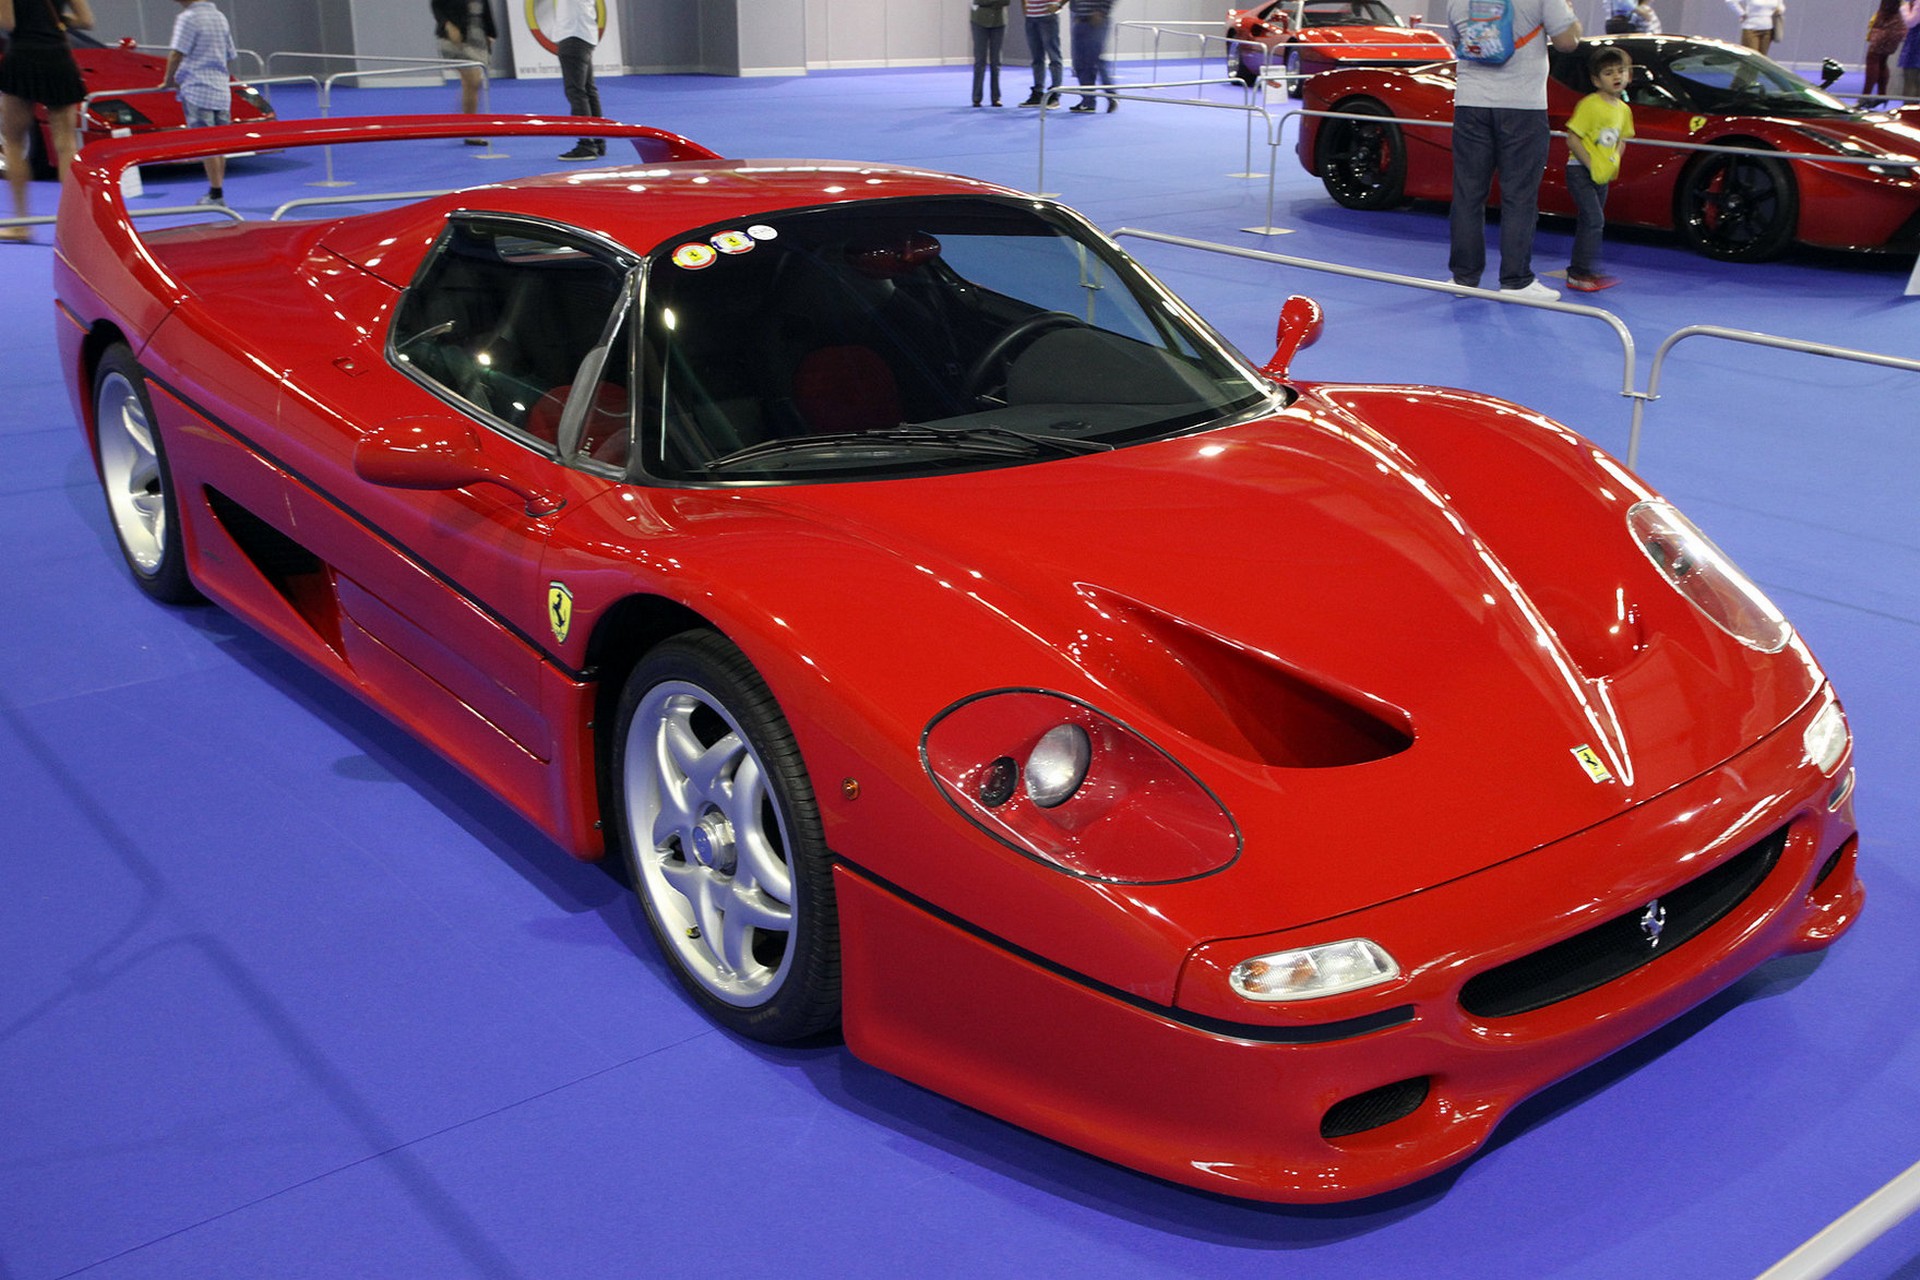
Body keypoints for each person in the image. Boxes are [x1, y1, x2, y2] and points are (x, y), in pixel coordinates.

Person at [1445, 0, 1581, 298]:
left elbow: (1458, 42)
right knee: (1519, 197)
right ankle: (1516, 281)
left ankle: (1463, 279)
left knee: (1467, 195)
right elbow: (1567, 42)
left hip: (1470, 103)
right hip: (1523, 106)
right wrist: (1570, 14)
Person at [0, 0, 93, 242]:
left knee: (14, 143)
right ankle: (76, 225)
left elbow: (8, 24)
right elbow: (86, 22)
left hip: (23, 57)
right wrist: (57, 20)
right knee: (66, 145)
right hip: (59, 57)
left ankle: (21, 225)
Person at [1564, 46, 1632, 292]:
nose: (1616, 76)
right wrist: (1591, 164)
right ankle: (1578, 273)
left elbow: (1621, 139)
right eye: (1608, 73)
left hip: (1601, 175)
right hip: (1579, 171)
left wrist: (1611, 162)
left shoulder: (1623, 110)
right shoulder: (1589, 105)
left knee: (1591, 221)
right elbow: (1573, 138)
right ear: (1596, 80)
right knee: (1594, 219)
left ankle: (1584, 269)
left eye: (1620, 71)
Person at [162, 0, 235, 207]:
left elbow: (177, 53)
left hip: (197, 88)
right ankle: (217, 191)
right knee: (220, 143)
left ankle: (216, 194)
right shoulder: (219, 17)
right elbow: (230, 54)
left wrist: (168, 80)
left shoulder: (188, 18)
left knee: (206, 143)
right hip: (221, 89)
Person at [432, 0, 495, 140]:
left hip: (478, 38)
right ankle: (470, 129)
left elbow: (485, 9)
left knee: (472, 84)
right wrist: (447, 25)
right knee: (473, 81)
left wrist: (491, 33)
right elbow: (436, 5)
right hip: (455, 39)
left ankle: (463, 122)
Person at [552, 0, 603, 160]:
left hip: (573, 35)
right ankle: (598, 140)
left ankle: (587, 144)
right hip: (583, 34)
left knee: (577, 92)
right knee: (588, 90)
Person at [1067, 0, 1117, 112]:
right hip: (1080, 20)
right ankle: (1088, 102)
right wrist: (1076, 13)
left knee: (1095, 61)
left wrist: (1101, 11)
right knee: (1080, 64)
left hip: (1096, 21)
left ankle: (1111, 95)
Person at [1018, 0, 1065, 107]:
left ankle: (1055, 94)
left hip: (1048, 15)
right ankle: (1038, 93)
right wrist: (1024, 5)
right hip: (1031, 16)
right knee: (1037, 58)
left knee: (1054, 56)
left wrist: (1059, 5)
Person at [971, 0, 1009, 107]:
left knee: (996, 61)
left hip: (999, 21)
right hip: (979, 20)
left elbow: (1006, 1)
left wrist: (988, 2)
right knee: (980, 61)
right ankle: (977, 98)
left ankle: (996, 98)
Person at [1899, 0, 1920, 101]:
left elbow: (1911, 22)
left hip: (1916, 42)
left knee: (1910, 78)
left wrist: (1904, 7)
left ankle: (1908, 107)